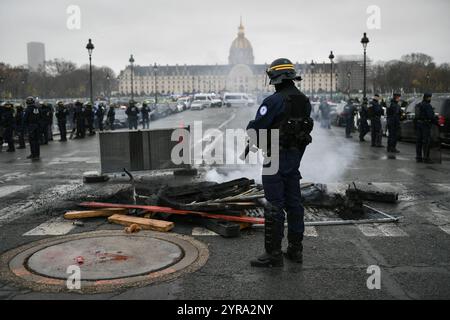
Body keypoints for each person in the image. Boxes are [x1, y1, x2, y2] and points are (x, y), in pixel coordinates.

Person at [246, 58, 313, 268]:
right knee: (294, 203)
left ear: (276, 78)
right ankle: (295, 250)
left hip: (275, 156)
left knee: (274, 204)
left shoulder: (273, 101)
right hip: (294, 157)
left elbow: (256, 129)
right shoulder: (304, 100)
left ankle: (273, 254)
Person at [415, 93, 437, 163]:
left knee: (419, 141)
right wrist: (436, 122)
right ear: (427, 98)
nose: (430, 99)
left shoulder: (419, 104)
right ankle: (426, 158)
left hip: (419, 124)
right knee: (426, 141)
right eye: (430, 97)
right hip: (425, 125)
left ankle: (418, 157)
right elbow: (431, 116)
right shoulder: (427, 105)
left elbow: (417, 116)